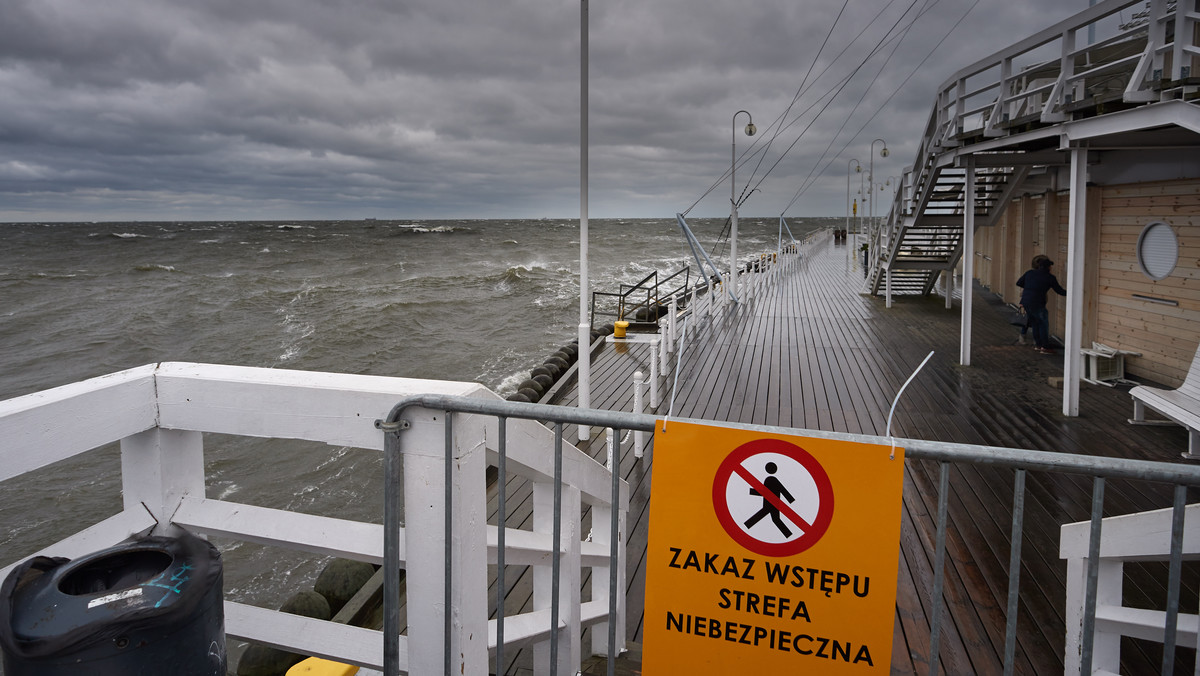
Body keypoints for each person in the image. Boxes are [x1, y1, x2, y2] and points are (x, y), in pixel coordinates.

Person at [1016, 255, 1066, 354]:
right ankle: (1045, 347)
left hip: (1026, 301)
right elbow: (1059, 291)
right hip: (1038, 303)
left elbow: (1019, 283)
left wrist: (1030, 287)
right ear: (1048, 267)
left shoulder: (1029, 273)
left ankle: (1038, 345)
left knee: (1035, 323)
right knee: (1043, 324)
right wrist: (1073, 293)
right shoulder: (1050, 277)